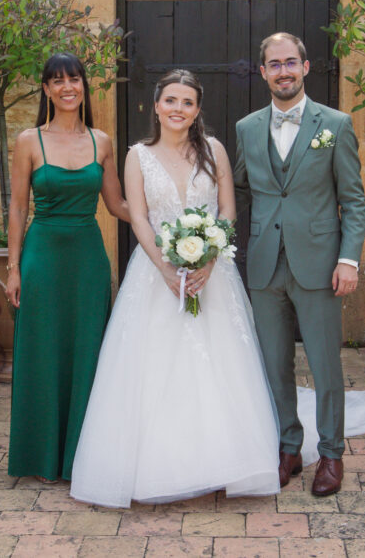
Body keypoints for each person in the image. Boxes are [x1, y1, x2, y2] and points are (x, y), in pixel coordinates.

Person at [69, 70, 282, 507]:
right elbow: (139, 217)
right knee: (152, 367)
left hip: (212, 276)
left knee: (222, 365)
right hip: (155, 273)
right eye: (170, 100)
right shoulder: (138, 156)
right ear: (156, 105)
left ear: (197, 110)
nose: (178, 109)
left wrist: (208, 258)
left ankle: (229, 459)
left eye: (187, 102)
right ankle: (157, 466)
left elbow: (227, 210)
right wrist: (167, 270)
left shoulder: (214, 150)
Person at [233, 32, 365, 496]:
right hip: (265, 264)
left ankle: (331, 454)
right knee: (274, 364)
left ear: (306, 67)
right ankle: (288, 447)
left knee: (326, 365)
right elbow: (239, 191)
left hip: (320, 264)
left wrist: (348, 259)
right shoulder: (247, 128)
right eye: (274, 64)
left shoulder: (336, 125)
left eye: (291, 62)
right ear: (263, 72)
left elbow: (353, 200)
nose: (283, 71)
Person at [5, 52, 128, 483]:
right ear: (46, 89)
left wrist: (166, 220)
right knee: (41, 353)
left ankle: (81, 456)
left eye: (73, 79)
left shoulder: (101, 141)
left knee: (87, 352)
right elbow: (18, 208)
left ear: (83, 86)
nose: (67, 87)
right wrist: (14, 268)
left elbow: (117, 205)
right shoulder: (28, 141)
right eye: (57, 81)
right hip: (42, 258)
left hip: (88, 261)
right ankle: (40, 457)